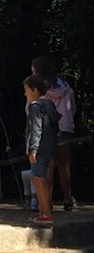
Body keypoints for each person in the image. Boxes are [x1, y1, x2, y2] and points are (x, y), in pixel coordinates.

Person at [32, 56, 77, 211]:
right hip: (65, 128)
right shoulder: (65, 86)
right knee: (64, 166)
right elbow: (72, 108)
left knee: (48, 165)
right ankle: (67, 200)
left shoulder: (39, 87)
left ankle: (47, 201)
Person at [23, 73, 61, 226]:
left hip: (39, 149)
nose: (25, 93)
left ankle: (45, 213)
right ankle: (43, 212)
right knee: (40, 178)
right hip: (49, 148)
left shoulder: (36, 107)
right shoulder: (50, 105)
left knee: (39, 180)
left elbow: (36, 129)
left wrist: (33, 149)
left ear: (35, 90)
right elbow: (55, 126)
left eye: (27, 89)